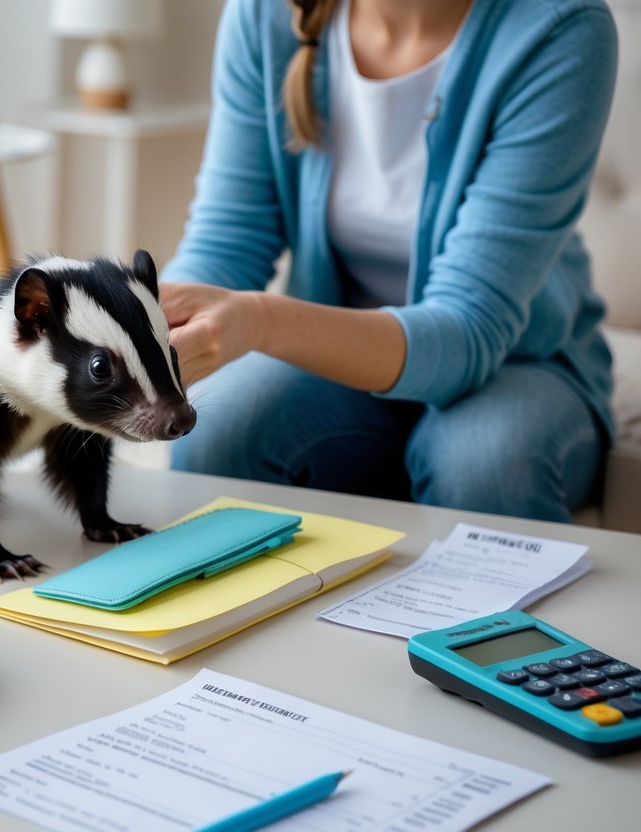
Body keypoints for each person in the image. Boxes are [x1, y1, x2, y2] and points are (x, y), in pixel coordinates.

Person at [159, 0, 618, 522]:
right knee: (219, 429)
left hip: (517, 365)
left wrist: (259, 321)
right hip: (336, 365)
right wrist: (144, 325)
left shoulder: (559, 27)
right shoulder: (266, 15)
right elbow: (227, 242)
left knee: (484, 462)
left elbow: (469, 329)